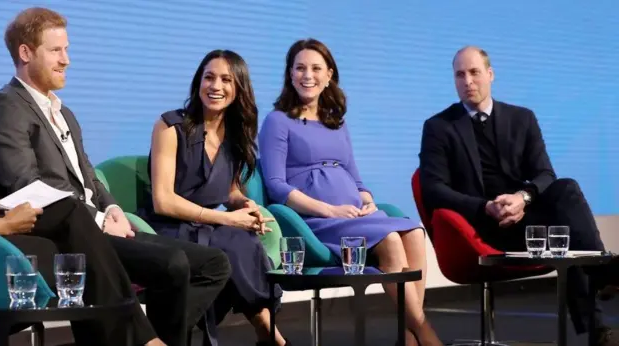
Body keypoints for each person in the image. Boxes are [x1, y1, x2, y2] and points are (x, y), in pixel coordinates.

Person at [0, 7, 231, 346]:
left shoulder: (63, 112)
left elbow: (90, 179)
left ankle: (155, 339)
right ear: (25, 53)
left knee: (213, 263)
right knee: (171, 263)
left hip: (96, 221)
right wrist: (98, 220)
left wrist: (111, 208)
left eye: (67, 50)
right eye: (56, 50)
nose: (66, 59)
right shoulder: (4, 107)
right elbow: (26, 187)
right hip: (62, 229)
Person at [418, 45, 618, 345]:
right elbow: (433, 190)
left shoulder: (522, 118)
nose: (468, 81)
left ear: (490, 74)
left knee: (566, 189)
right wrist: (486, 206)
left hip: (526, 218)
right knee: (569, 233)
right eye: (460, 75)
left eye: (474, 72)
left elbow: (545, 174)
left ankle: (599, 324)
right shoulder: (439, 127)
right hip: (479, 227)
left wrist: (522, 198)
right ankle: (602, 276)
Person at [258, 38, 442, 346]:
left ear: (329, 75)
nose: (308, 75)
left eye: (316, 68)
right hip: (316, 221)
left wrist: (367, 201)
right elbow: (276, 186)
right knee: (392, 241)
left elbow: (356, 179)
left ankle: (409, 339)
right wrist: (329, 210)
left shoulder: (336, 122)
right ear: (289, 74)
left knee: (413, 233)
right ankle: (423, 332)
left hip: (354, 214)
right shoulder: (277, 121)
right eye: (300, 68)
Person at [138, 49, 289, 346]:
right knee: (234, 241)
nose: (215, 86)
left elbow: (229, 189)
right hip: (169, 226)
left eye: (225, 80)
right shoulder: (170, 127)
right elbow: (163, 200)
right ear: (198, 83)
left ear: (239, 88)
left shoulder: (234, 134)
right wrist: (227, 218)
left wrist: (245, 205)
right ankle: (269, 332)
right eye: (209, 77)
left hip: (207, 226)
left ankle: (267, 332)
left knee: (242, 240)